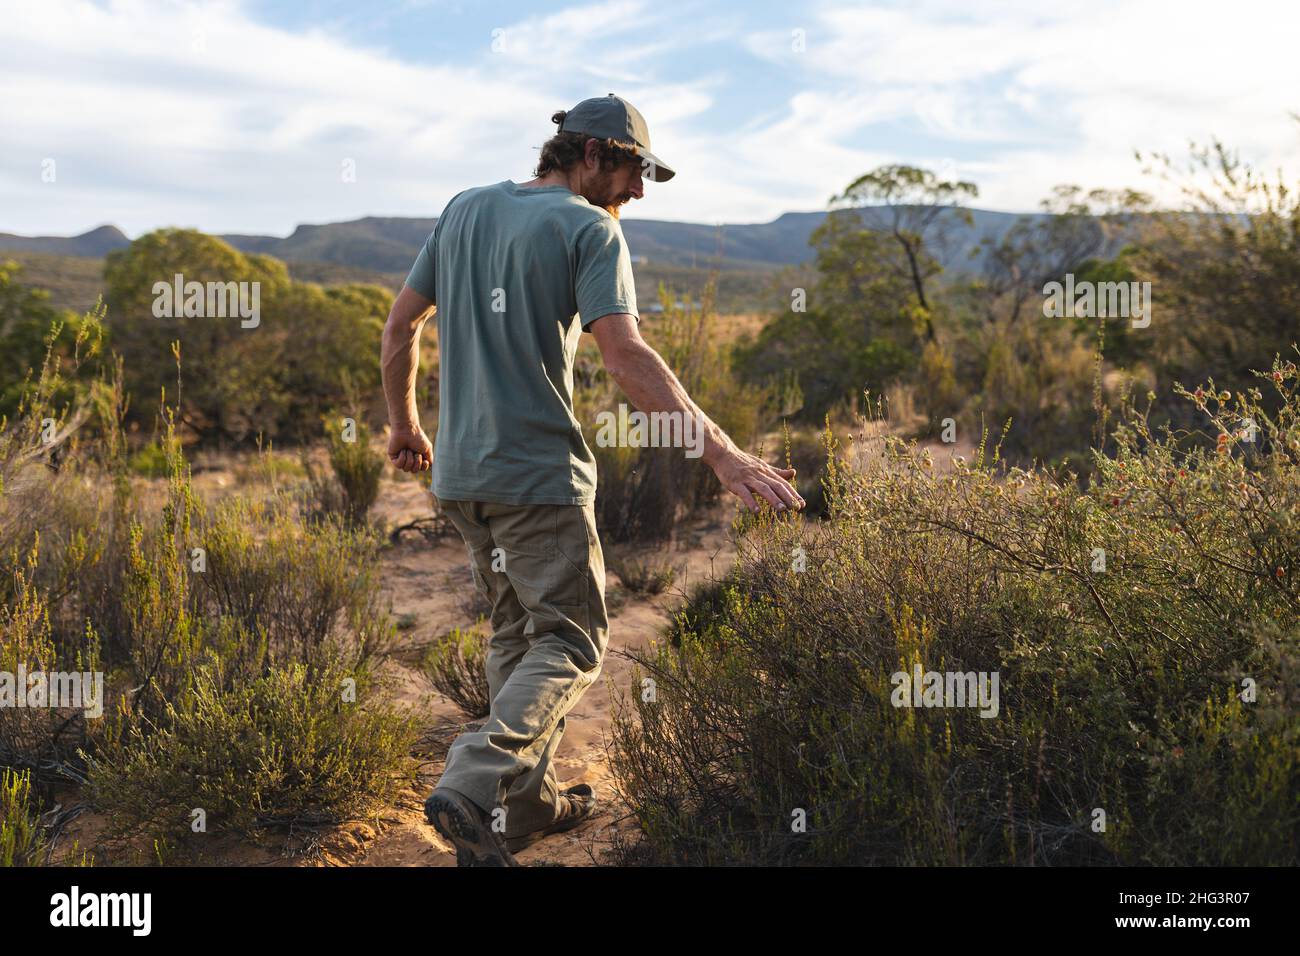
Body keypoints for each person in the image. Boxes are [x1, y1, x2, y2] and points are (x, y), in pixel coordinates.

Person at [380, 93, 803, 866]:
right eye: (635, 171)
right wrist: (722, 455)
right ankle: (472, 778)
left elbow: (401, 324)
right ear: (592, 154)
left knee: (519, 635)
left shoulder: (465, 208)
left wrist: (405, 427)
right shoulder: (588, 228)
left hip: (464, 477)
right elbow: (626, 358)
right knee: (574, 640)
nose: (638, 193)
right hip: (537, 477)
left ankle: (528, 810)